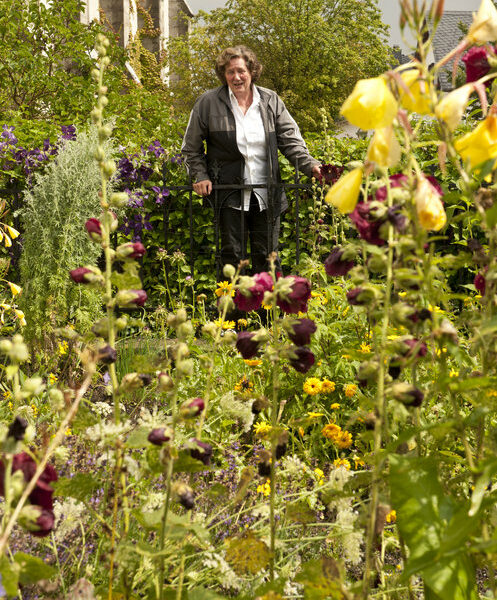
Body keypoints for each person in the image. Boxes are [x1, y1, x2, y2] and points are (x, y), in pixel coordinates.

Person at [181, 45, 321, 275]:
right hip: (229, 193)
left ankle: (267, 310)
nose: (236, 77)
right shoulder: (208, 103)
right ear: (223, 75)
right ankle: (233, 310)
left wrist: (311, 166)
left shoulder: (270, 101)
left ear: (252, 72)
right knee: (231, 257)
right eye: (230, 72)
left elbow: (290, 141)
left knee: (268, 256)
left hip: (266, 192)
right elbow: (191, 148)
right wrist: (200, 175)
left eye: (241, 71)